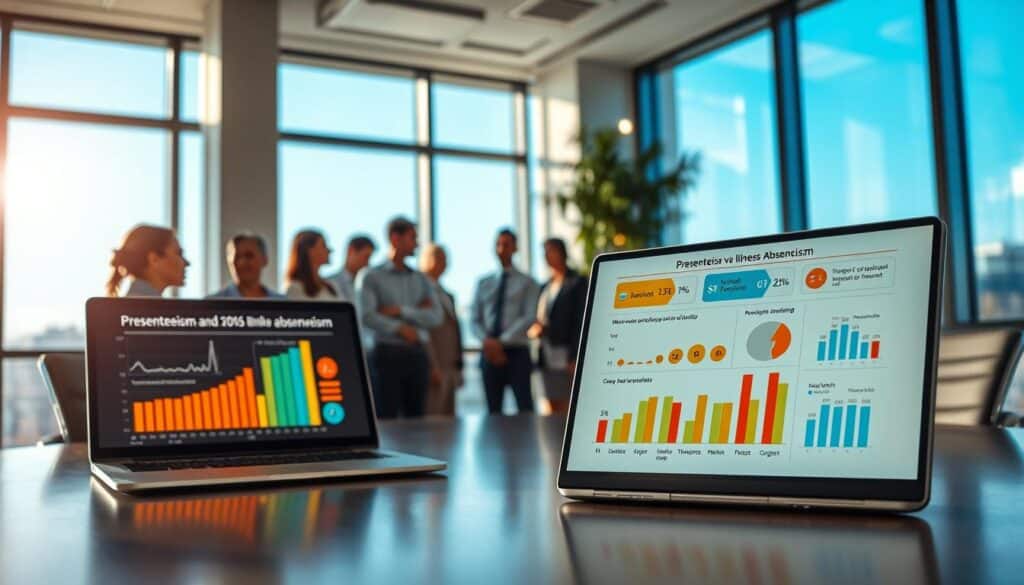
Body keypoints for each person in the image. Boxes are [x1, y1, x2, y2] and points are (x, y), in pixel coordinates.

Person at [357, 217, 443, 418]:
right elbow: (367, 315)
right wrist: (401, 328)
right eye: (412, 237)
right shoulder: (370, 276)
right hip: (385, 356)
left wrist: (401, 311)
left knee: (418, 421)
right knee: (386, 420)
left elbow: (436, 317)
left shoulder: (421, 280)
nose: (417, 243)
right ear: (395, 238)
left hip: (417, 356)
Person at [471, 228, 540, 415]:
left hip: (516, 352)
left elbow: (529, 317)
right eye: (498, 244)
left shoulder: (529, 282)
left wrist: (499, 343)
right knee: (493, 411)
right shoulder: (483, 283)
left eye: (507, 244)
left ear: (515, 247)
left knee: (525, 408)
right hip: (489, 353)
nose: (502, 249)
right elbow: (474, 319)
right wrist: (488, 342)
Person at [528, 238, 588, 413]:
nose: (546, 255)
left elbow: (580, 320)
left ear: (562, 253)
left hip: (565, 356)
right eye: (544, 252)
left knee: (568, 409)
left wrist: (575, 356)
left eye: (550, 250)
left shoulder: (576, 282)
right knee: (549, 407)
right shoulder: (545, 286)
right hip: (545, 354)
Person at [420, 243, 464, 416]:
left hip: (450, 368)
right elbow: (422, 331)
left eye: (445, 259)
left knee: (448, 422)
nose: (443, 263)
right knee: (432, 420)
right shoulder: (419, 291)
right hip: (434, 367)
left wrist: (458, 367)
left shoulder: (447, 294)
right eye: (438, 257)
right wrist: (431, 365)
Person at [106, 224, 189, 297]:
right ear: (154, 259)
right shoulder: (154, 311)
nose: (187, 263)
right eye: (179, 253)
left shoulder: (128, 307)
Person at [209, 232, 284, 299]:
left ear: (265, 260)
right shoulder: (212, 305)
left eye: (249, 256)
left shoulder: (283, 305)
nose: (241, 263)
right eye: (237, 257)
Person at [283, 230, 338, 300]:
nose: (329, 250)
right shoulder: (295, 289)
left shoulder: (330, 286)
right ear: (309, 251)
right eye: (323, 245)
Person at [328, 235, 375, 303]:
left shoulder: (369, 285)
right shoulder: (329, 283)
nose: (368, 263)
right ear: (351, 250)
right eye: (366, 257)